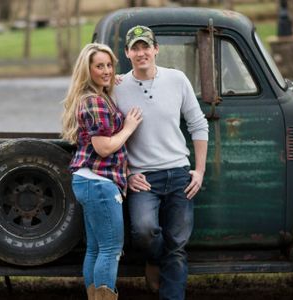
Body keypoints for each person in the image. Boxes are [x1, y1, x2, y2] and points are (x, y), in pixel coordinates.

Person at [113, 25, 209, 300]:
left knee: (178, 245)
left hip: (180, 174)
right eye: (135, 48)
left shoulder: (177, 79)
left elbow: (198, 124)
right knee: (143, 231)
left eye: (146, 46)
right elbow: (111, 137)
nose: (141, 52)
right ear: (127, 53)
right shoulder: (117, 88)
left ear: (156, 49)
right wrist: (128, 173)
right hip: (143, 178)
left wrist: (199, 171)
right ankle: (154, 258)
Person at [61, 43, 142, 300]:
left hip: (89, 181)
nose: (106, 71)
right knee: (110, 249)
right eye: (99, 66)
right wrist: (128, 127)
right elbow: (104, 147)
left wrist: (112, 80)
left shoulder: (94, 96)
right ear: (88, 70)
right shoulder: (94, 101)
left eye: (109, 65)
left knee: (96, 249)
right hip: (100, 183)